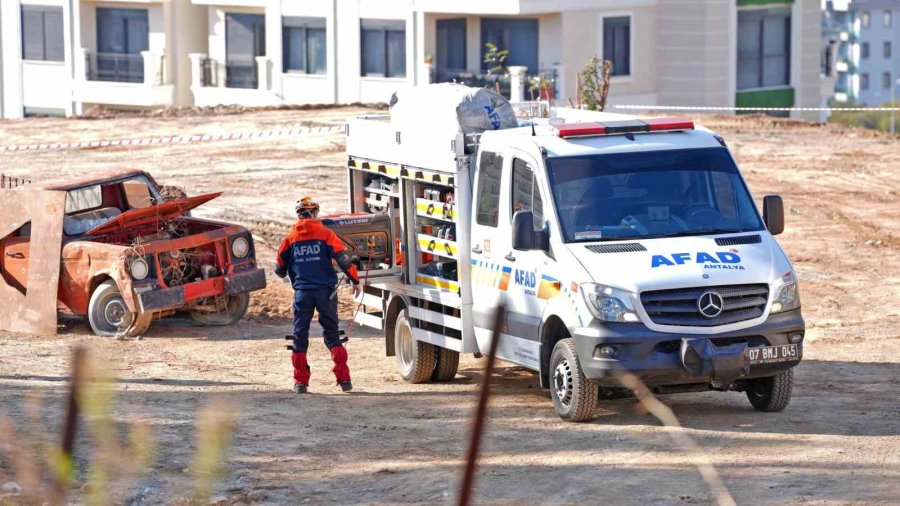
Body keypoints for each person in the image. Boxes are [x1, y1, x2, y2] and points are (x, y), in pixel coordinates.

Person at [275, 197, 362, 394]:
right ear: (314, 213)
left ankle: (300, 384)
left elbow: (278, 269)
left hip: (302, 294)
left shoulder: (290, 238)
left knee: (299, 338)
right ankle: (344, 380)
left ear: (298, 215)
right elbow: (344, 260)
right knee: (332, 335)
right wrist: (356, 282)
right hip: (326, 293)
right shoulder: (326, 234)